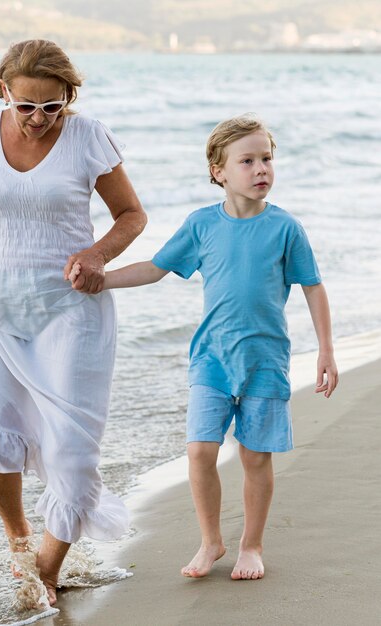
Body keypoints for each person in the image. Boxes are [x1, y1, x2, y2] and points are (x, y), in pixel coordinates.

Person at [70, 114, 338, 581]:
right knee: (200, 451)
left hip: (265, 362)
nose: (261, 170)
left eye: (267, 159)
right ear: (218, 170)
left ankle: (251, 545)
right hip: (211, 359)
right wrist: (101, 279)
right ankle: (210, 541)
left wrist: (326, 351)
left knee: (255, 456)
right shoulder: (200, 225)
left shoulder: (285, 228)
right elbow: (155, 268)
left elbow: (313, 287)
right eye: (248, 161)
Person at [0, 39, 147, 606]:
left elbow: (132, 215)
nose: (37, 120)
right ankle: (18, 538)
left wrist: (97, 255)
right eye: (26, 106)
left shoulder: (88, 137)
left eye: (51, 107)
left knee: (73, 453)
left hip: (70, 309)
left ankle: (46, 573)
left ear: (69, 98)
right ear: (3, 90)